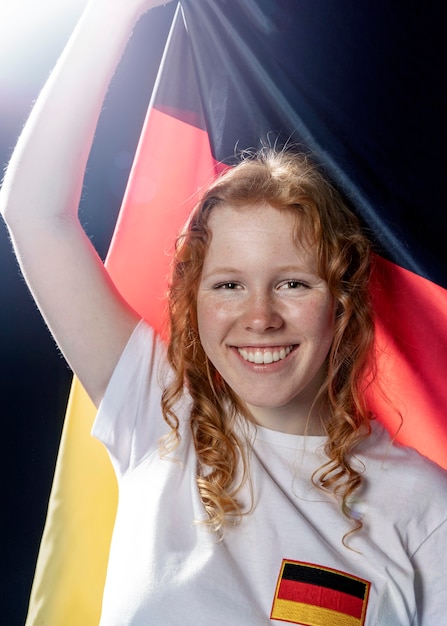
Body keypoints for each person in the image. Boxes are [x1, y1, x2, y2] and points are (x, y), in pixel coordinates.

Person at [1, 1, 446, 624]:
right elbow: (33, 211)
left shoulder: (427, 510)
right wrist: (114, 12)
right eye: (229, 286)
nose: (258, 317)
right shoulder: (156, 417)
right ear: (193, 303)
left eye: (293, 283)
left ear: (342, 304)